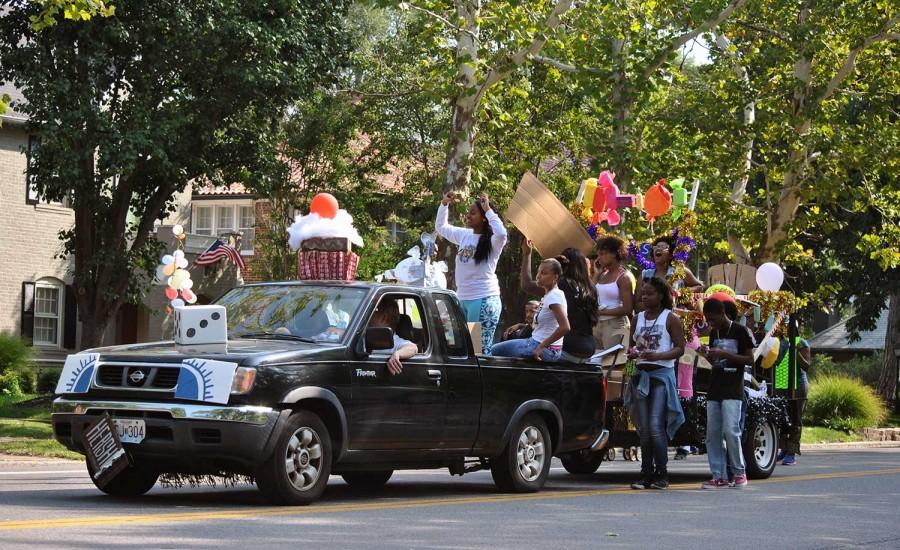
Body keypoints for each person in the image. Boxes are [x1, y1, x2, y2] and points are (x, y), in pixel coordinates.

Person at [626, 277, 686, 490]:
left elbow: (680, 348)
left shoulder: (670, 318)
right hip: (640, 376)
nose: (644, 296)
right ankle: (645, 473)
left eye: (649, 293)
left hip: (661, 376)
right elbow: (630, 349)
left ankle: (662, 473)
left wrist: (658, 356)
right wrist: (631, 361)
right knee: (643, 428)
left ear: (661, 296)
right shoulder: (637, 318)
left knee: (654, 426)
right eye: (643, 293)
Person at [435, 191, 508, 354]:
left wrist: (488, 209)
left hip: (481, 301)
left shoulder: (493, 241)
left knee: (477, 351)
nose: (468, 216)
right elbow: (441, 227)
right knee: (463, 350)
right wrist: (444, 204)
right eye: (468, 212)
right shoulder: (464, 235)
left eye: (473, 213)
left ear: (484, 218)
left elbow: (502, 233)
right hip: (463, 300)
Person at [699, 298, 755, 489]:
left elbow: (750, 359)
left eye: (713, 318)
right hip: (715, 387)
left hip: (733, 388)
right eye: (708, 319)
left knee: (731, 430)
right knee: (712, 433)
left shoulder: (740, 331)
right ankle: (718, 475)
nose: (710, 323)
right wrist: (707, 354)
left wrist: (725, 354)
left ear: (723, 313)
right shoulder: (714, 332)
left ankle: (739, 473)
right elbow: (715, 362)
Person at [520, 242, 597, 362]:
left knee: (502, 349)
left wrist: (526, 254)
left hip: (568, 348)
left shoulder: (562, 285)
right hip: (587, 350)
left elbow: (527, 285)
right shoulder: (591, 288)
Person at [491, 256, 569, 362]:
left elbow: (565, 327)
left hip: (543, 348)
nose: (538, 276)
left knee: (490, 351)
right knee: (491, 351)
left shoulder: (554, 296)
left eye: (544, 273)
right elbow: (547, 325)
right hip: (535, 343)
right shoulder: (549, 295)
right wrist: (521, 325)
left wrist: (541, 347)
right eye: (538, 272)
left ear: (555, 277)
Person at [593, 235, 634, 363]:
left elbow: (627, 308)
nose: (599, 258)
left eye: (603, 254)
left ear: (615, 254)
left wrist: (602, 312)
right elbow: (590, 292)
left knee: (613, 365)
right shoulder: (602, 274)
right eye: (598, 254)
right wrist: (596, 273)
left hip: (615, 325)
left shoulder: (623, 277)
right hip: (597, 325)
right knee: (595, 363)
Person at [776, 323, 811, 466]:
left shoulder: (801, 343)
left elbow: (806, 366)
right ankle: (784, 448)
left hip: (798, 385)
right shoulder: (779, 342)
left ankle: (791, 452)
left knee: (795, 419)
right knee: (782, 419)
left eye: (788, 327)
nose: (785, 329)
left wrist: (796, 353)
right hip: (781, 385)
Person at [369, 300, 418, 375]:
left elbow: (413, 348)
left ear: (384, 317)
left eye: (375, 311)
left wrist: (397, 354)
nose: (371, 315)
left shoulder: (395, 342)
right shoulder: (365, 336)